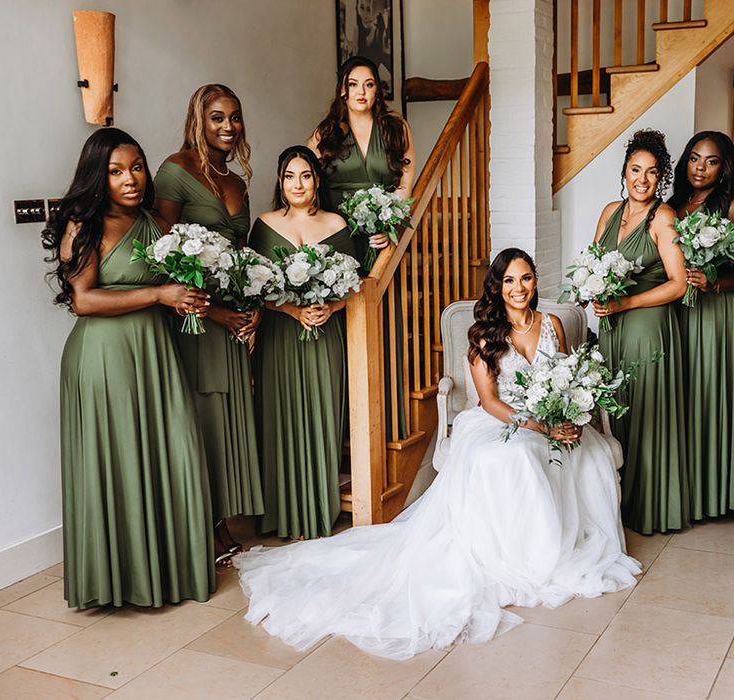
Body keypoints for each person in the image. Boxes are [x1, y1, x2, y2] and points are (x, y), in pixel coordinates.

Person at [234, 248, 639, 660]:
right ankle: (527, 558)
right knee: (512, 458)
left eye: (526, 278)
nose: (519, 289)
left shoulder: (552, 324)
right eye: (510, 281)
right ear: (497, 288)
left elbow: (567, 379)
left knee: (590, 456)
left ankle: (563, 541)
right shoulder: (484, 335)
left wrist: (572, 417)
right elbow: (491, 402)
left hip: (553, 418)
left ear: (536, 281)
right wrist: (541, 426)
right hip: (505, 421)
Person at [41, 128, 215, 608]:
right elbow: (84, 300)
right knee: (119, 461)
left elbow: (174, 283)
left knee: (170, 450)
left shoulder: (153, 223)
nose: (131, 179)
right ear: (98, 176)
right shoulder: (84, 223)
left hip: (154, 352)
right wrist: (160, 294)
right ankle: (121, 582)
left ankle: (170, 570)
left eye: (137, 166)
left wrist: (190, 297)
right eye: (116, 171)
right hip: (103, 358)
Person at [153, 84, 263, 566]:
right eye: (217, 117)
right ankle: (207, 523)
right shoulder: (175, 171)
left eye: (235, 117)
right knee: (203, 416)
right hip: (196, 317)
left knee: (229, 414)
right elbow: (161, 253)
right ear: (199, 118)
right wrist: (213, 310)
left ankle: (224, 514)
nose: (228, 126)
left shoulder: (237, 181)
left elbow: (241, 256)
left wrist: (251, 304)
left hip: (235, 316)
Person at [248, 146, 357, 540]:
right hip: (279, 335)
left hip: (325, 334)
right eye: (290, 176)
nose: (298, 184)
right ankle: (281, 513)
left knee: (323, 415)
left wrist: (331, 308)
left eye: (306, 175)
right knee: (279, 417)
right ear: (280, 181)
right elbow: (252, 285)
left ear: (316, 180)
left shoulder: (335, 223)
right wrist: (293, 312)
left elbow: (355, 283)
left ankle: (317, 511)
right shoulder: (263, 224)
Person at [309, 55, 415, 440]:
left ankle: (387, 425)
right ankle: (345, 432)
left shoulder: (395, 127)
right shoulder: (325, 133)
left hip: (382, 241)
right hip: (341, 240)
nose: (361, 92)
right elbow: (310, 189)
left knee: (386, 325)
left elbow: (404, 186)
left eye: (369, 85)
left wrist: (389, 227)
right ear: (342, 88)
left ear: (377, 90)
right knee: (343, 326)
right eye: (354, 84)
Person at [592, 129, 690, 534]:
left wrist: (626, 302)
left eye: (652, 172)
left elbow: (678, 282)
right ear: (625, 171)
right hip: (612, 327)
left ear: (661, 177)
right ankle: (619, 503)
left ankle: (648, 508)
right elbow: (594, 263)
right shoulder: (610, 211)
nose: (643, 180)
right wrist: (592, 292)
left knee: (646, 414)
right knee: (619, 413)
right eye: (636, 170)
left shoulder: (662, 217)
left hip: (646, 327)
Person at [668, 131, 734, 519]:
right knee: (684, 398)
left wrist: (715, 282)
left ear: (723, 167)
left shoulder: (728, 207)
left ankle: (714, 495)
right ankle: (687, 492)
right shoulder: (675, 205)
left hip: (714, 315)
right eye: (694, 158)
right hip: (679, 312)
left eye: (711, 161)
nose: (700, 168)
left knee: (709, 396)